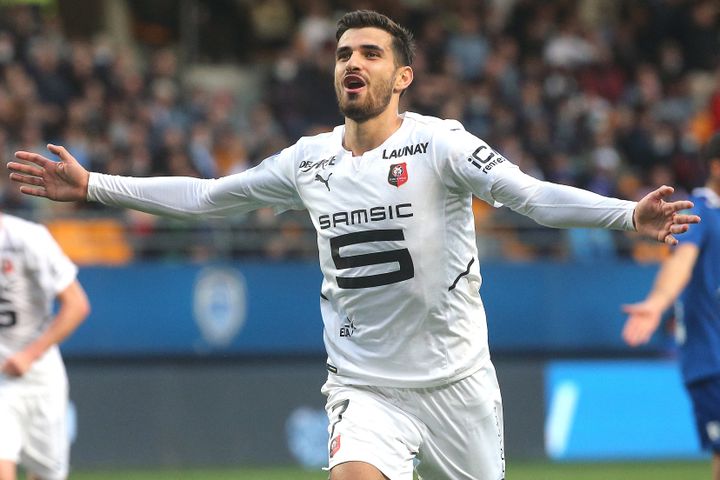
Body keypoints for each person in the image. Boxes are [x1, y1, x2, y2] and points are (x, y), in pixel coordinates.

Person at [7, 10, 699, 480]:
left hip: (459, 385)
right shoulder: (308, 160)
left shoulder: (441, 144)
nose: (352, 63)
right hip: (365, 387)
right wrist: (95, 184)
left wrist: (625, 216)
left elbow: (529, 196)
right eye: (343, 54)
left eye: (370, 53)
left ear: (402, 77)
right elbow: (209, 196)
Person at [622, 132, 720, 480]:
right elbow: (682, 260)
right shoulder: (700, 212)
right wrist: (658, 301)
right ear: (716, 167)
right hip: (713, 362)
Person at [0, 212, 90, 480]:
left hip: (39, 376)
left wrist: (29, 355)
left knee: (47, 472)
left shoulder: (28, 238)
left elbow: (77, 305)